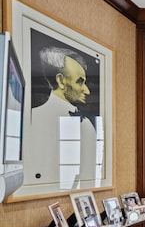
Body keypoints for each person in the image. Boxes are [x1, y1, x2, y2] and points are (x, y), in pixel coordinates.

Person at [22, 46, 100, 190]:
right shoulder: (30, 121)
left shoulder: (86, 125)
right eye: (80, 81)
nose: (87, 90)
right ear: (61, 80)